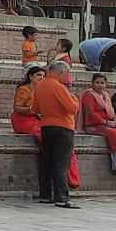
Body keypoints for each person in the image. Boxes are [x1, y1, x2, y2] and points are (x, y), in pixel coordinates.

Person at [34, 60, 81, 209]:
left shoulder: (40, 85)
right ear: (60, 73)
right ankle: (61, 197)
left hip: (46, 126)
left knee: (46, 162)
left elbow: (35, 108)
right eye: (66, 74)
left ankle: (45, 195)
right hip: (63, 127)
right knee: (61, 163)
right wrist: (74, 98)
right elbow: (72, 108)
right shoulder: (58, 87)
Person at [81, 72, 116, 174]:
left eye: (102, 83)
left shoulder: (105, 95)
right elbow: (91, 113)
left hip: (107, 123)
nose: (99, 85)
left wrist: (114, 122)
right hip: (94, 124)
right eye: (97, 82)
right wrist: (106, 122)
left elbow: (111, 112)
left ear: (106, 84)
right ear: (92, 83)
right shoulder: (89, 95)